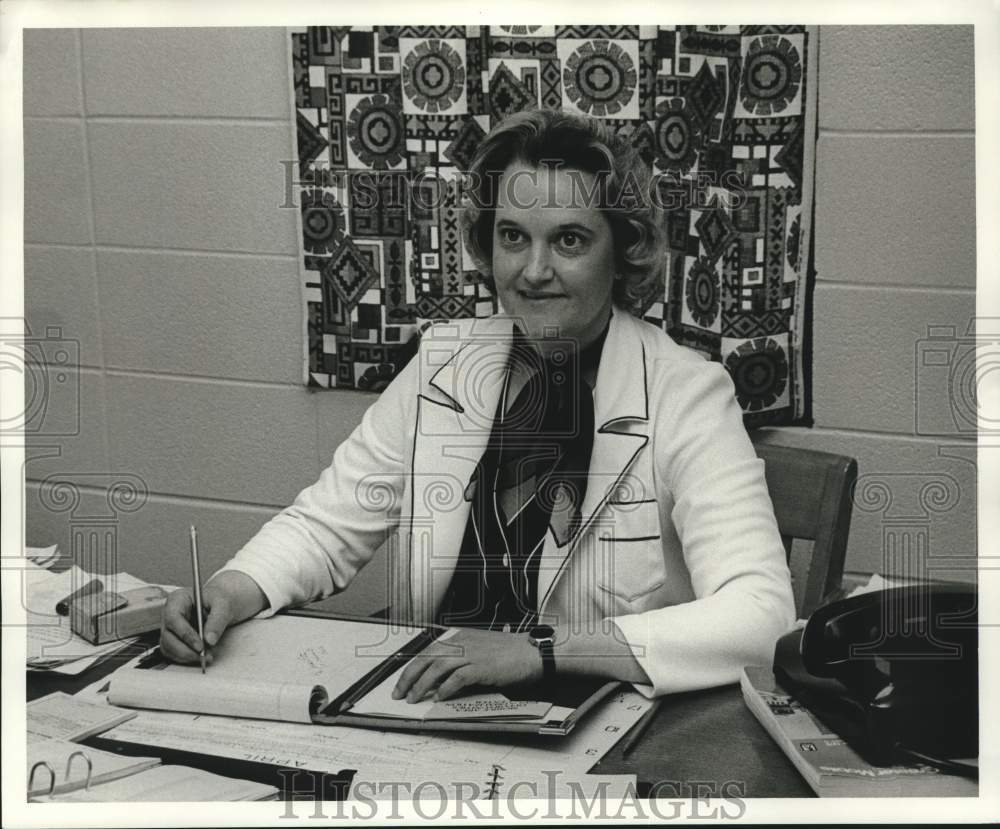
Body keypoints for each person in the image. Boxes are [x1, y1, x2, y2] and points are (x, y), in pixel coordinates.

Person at [160, 108, 795, 703]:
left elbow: (760, 614)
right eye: (513, 237)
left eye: (569, 240)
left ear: (622, 251)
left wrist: (540, 650)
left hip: (597, 723)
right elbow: (327, 526)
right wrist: (231, 588)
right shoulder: (445, 364)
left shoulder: (686, 393)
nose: (534, 270)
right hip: (428, 707)